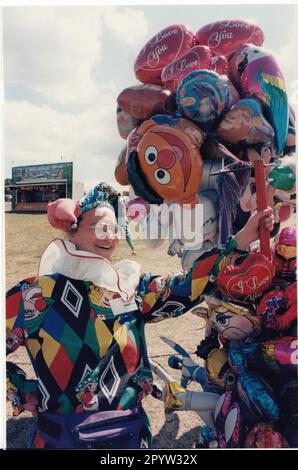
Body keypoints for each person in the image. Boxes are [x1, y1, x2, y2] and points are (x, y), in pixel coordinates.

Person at [6, 182, 274, 449]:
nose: (109, 237)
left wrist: (240, 240)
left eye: (114, 229)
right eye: (100, 227)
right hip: (61, 439)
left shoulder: (131, 287)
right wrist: (19, 389)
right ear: (73, 233)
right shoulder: (39, 294)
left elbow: (186, 287)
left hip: (129, 436)